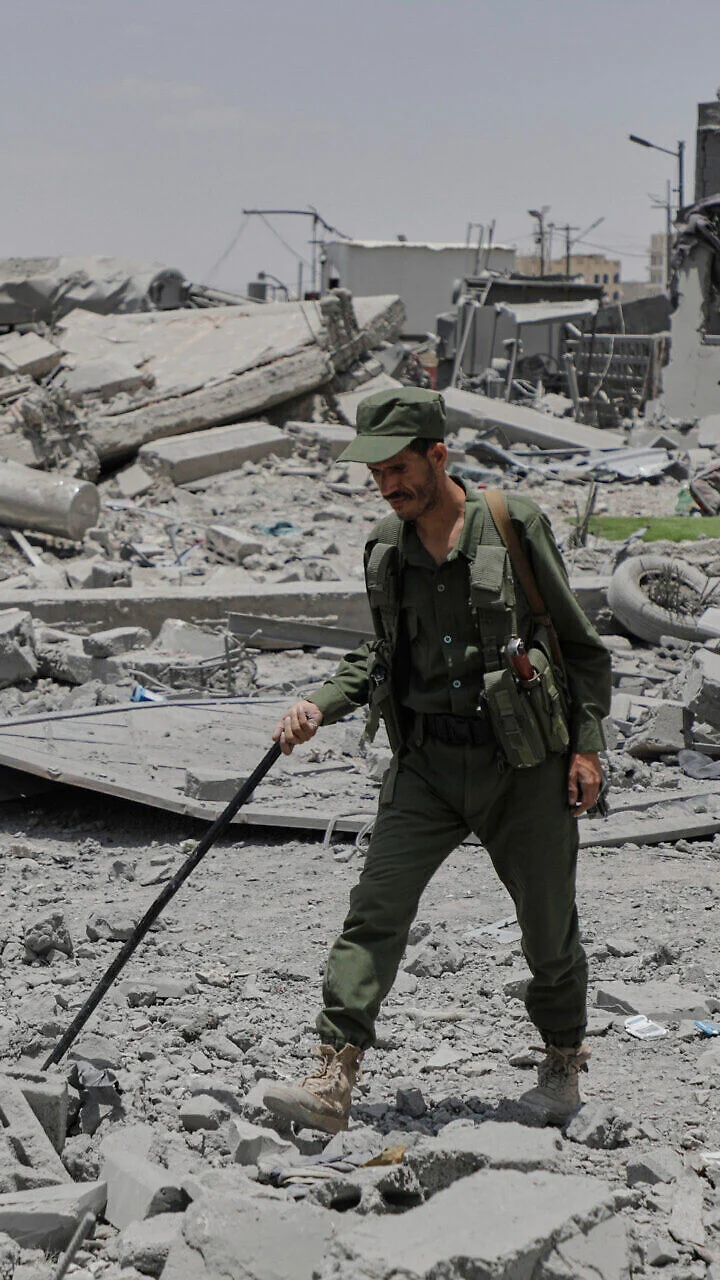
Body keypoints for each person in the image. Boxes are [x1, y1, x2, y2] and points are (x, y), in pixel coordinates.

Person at [260, 387, 614, 1133]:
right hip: (425, 766)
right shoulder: (386, 551)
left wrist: (587, 747)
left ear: (438, 456)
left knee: (548, 926)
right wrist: (319, 705)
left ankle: (561, 1064)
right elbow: (381, 656)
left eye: (399, 469)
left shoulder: (513, 524)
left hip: (522, 765)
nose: (388, 486)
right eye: (376, 474)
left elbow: (579, 646)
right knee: (376, 911)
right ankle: (333, 1074)